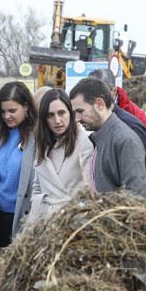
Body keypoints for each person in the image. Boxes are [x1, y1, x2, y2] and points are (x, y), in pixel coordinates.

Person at [70, 77, 146, 198]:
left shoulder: (125, 141)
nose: (77, 119)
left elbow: (137, 199)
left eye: (80, 111)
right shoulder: (101, 137)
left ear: (100, 104)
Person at [27, 89, 94, 223]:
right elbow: (37, 185)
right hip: (43, 221)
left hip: (72, 221)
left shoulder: (84, 142)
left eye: (61, 113)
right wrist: (37, 205)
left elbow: (90, 190)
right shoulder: (43, 143)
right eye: (50, 115)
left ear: (71, 113)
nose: (57, 120)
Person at [88, 68, 146, 194]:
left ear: (114, 91)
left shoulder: (134, 119)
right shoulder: (91, 120)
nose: (95, 102)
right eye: (90, 96)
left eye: (99, 95)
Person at [0, 82, 37, 247]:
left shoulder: (37, 138)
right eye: (3, 111)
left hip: (23, 218)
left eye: (12, 111)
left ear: (26, 107)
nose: (7, 116)